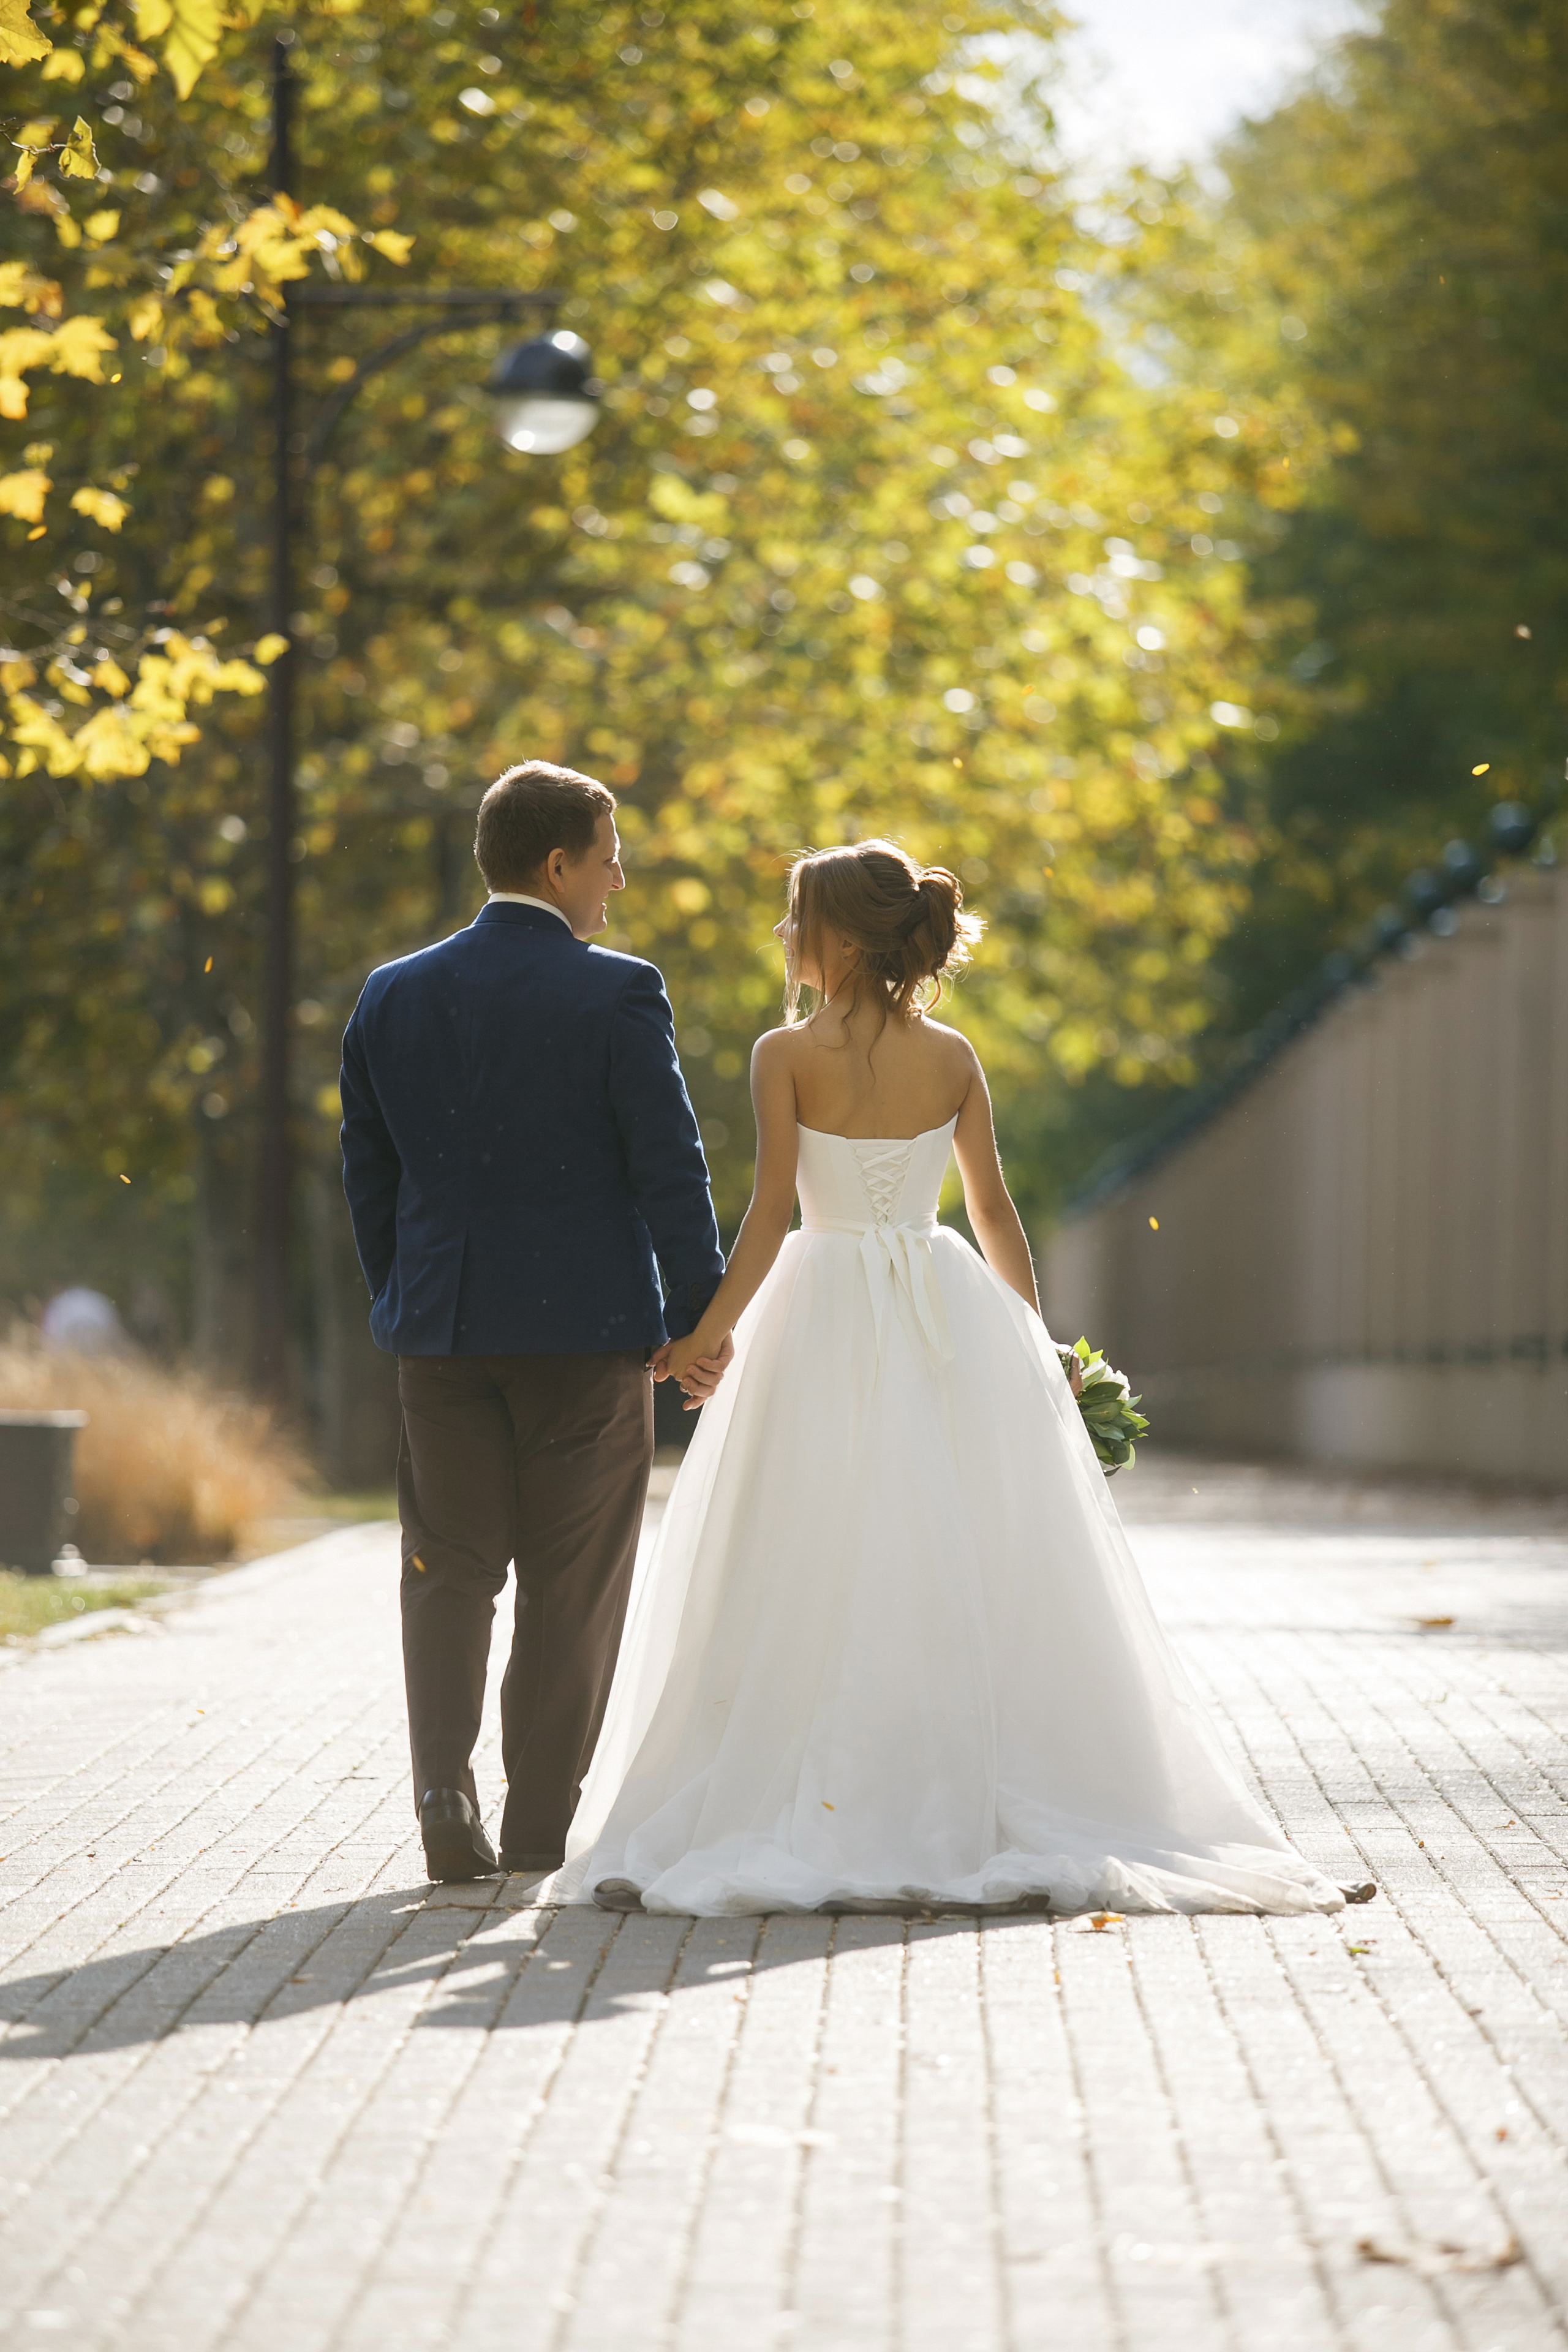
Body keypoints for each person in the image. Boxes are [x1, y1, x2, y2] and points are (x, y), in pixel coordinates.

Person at [559, 840, 1355, 1919]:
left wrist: (704, 1332)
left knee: (811, 1541)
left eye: (796, 920)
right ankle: (954, 1776)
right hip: (945, 1304)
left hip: (824, 1301)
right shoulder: (954, 1055)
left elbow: (768, 1215)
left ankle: (816, 1783)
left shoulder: (782, 1053)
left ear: (839, 937)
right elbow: (992, 1214)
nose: (784, 938)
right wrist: (1034, 1346)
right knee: (951, 1542)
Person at [340, 762, 730, 1885]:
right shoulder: (617, 991)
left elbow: (369, 1171)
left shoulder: (390, 993)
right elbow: (670, 1169)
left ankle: (441, 1792)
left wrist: (402, 1295)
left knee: (447, 1567)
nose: (621, 878)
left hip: (442, 1336)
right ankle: (539, 1828)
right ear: (557, 865)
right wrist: (697, 1322)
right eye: (610, 856)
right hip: (585, 1336)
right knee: (574, 1583)